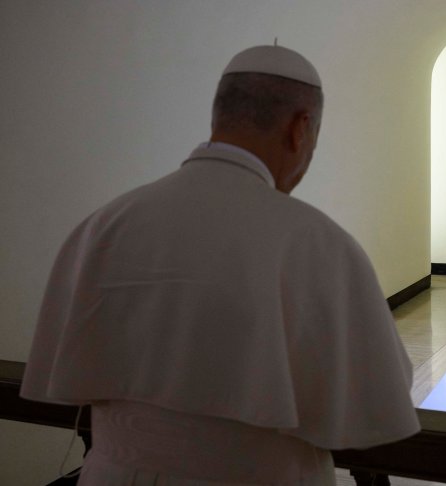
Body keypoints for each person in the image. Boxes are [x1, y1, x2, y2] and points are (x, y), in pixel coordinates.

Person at [20, 45, 420, 485]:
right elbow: (374, 401)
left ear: (218, 117)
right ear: (300, 128)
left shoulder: (105, 223)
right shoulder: (315, 241)